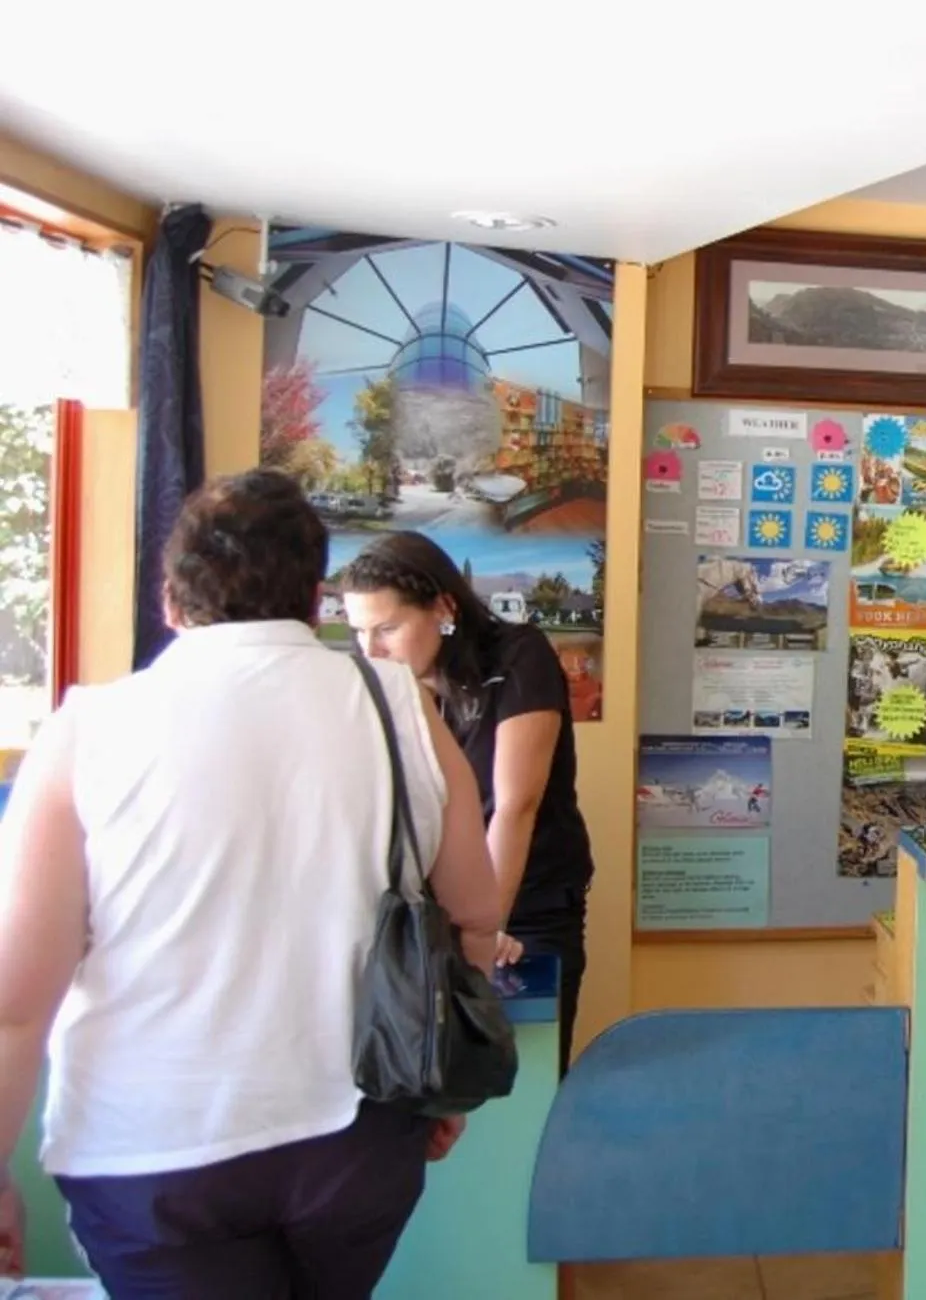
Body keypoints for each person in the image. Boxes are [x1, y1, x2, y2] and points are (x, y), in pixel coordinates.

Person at [0, 469, 500, 1295]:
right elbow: (475, 914)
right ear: (313, 599)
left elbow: (18, 998)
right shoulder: (399, 706)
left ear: (170, 599)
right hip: (359, 1137)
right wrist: (443, 1091)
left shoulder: (88, 729)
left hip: (152, 1154)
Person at [342, 532, 595, 1073]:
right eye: (358, 632)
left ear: (443, 609)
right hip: (431, 916)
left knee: (517, 1086)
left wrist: (488, 928)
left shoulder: (518, 655)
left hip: (523, 908)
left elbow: (516, 805)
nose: (371, 650)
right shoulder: (386, 683)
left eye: (387, 629)